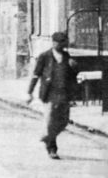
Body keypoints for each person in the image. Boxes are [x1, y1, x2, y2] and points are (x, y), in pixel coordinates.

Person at [26, 31, 78, 160]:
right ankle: (52, 148)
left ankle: (46, 137)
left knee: (64, 121)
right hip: (49, 94)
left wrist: (75, 67)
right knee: (50, 122)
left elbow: (72, 76)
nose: (62, 45)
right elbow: (36, 75)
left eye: (63, 42)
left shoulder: (66, 56)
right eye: (59, 42)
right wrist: (29, 92)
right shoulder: (44, 56)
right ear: (53, 42)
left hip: (64, 93)